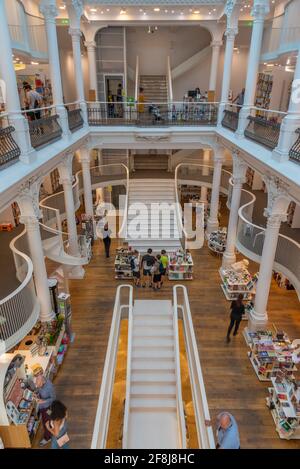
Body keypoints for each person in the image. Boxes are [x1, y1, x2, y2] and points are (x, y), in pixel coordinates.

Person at [30, 363, 56, 447]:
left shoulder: (49, 386)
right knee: (47, 421)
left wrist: (43, 401)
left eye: (38, 384)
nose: (37, 386)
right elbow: (38, 390)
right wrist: (36, 393)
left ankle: (47, 438)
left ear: (42, 380)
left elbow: (53, 398)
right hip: (42, 407)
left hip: (48, 408)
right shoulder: (40, 382)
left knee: (46, 422)